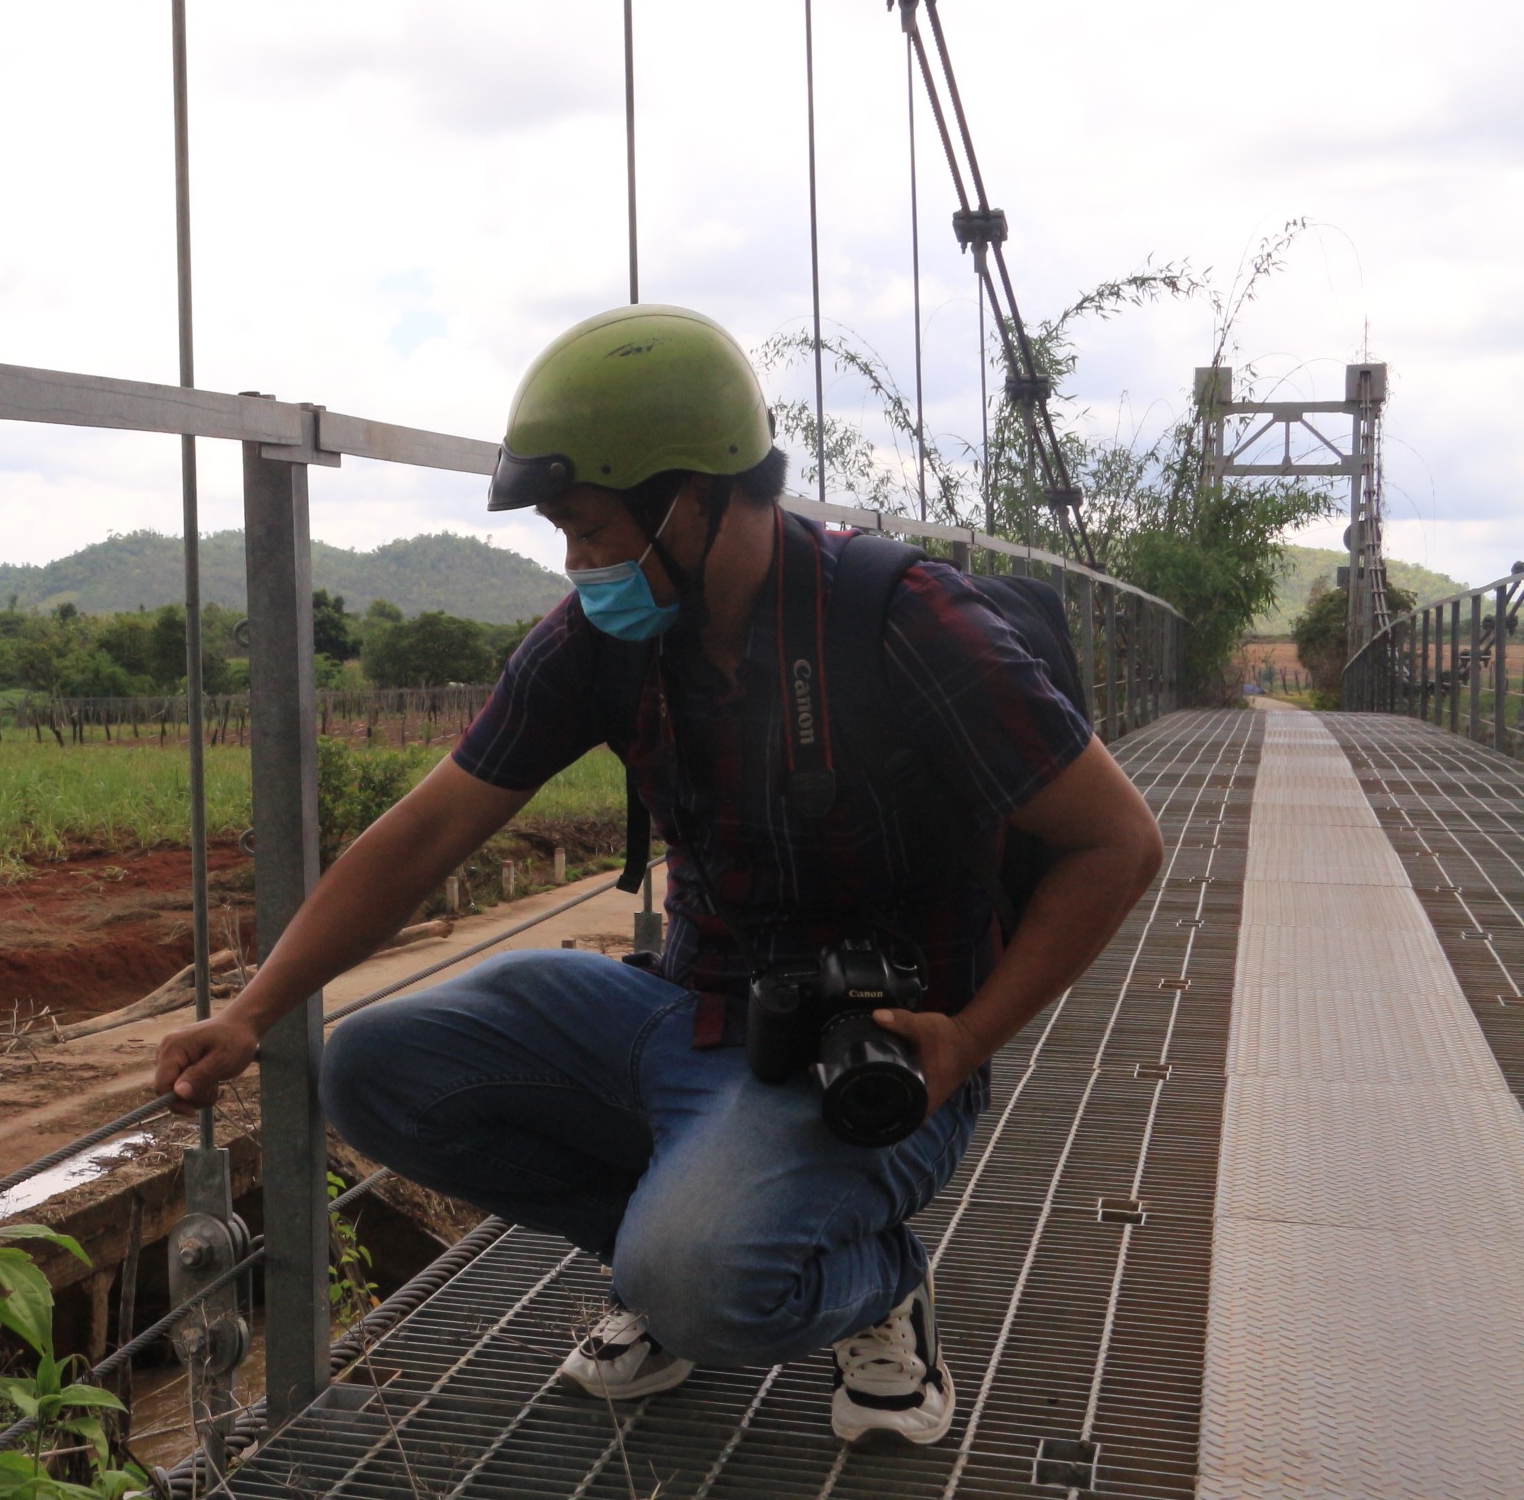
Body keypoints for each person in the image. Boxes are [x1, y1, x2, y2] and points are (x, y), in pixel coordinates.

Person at [150, 304, 1164, 1446]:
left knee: (702, 1279)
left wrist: (967, 1039)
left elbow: (1117, 841)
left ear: (695, 497)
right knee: (376, 1070)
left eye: (588, 528)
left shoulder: (904, 622)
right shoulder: (605, 638)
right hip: (683, 1013)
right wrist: (252, 1010)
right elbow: (428, 834)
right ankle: (672, 1248)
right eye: (563, 536)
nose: (578, 565)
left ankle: (868, 1282)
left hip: (874, 1050)